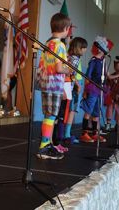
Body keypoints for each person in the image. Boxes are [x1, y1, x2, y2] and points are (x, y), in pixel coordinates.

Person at [36, 13, 71, 160]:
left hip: (45, 82)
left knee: (48, 115)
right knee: (51, 116)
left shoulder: (47, 43)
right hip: (54, 84)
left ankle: (47, 143)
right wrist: (68, 69)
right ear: (66, 29)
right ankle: (44, 147)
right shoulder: (60, 45)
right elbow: (58, 68)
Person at [80, 36, 114, 143]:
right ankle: (84, 133)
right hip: (92, 89)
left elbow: (107, 76)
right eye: (105, 47)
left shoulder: (103, 62)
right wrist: (85, 91)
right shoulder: (94, 60)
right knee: (88, 111)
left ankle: (94, 134)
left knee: (96, 113)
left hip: (100, 89)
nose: (107, 50)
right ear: (100, 48)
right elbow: (87, 76)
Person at [60, 37, 87, 146]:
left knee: (70, 111)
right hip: (71, 87)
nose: (85, 50)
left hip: (71, 86)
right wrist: (77, 84)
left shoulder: (72, 57)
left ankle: (65, 134)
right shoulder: (74, 59)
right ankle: (65, 135)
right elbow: (71, 73)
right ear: (78, 48)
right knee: (70, 111)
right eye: (84, 47)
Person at [105, 60, 119, 133]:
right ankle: (108, 125)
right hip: (112, 96)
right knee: (110, 109)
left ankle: (118, 126)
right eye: (118, 66)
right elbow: (108, 86)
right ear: (115, 67)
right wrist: (113, 95)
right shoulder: (112, 75)